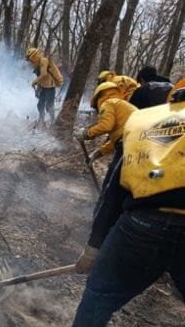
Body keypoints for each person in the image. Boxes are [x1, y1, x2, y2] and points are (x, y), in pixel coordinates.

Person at [72, 88, 185, 327]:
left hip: (143, 226)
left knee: (98, 296)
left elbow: (113, 192)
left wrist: (94, 247)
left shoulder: (149, 122)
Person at [74, 82, 137, 172]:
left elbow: (105, 126)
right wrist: (98, 153)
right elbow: (118, 138)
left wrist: (86, 133)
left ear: (98, 99)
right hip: (137, 141)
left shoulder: (107, 103)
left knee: (114, 175)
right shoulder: (119, 104)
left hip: (129, 142)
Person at [26, 48, 64, 125]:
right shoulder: (37, 65)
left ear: (34, 56)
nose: (30, 62)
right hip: (43, 87)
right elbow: (40, 78)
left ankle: (53, 122)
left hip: (50, 86)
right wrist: (37, 89)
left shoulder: (44, 60)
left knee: (49, 105)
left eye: (31, 60)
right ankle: (41, 119)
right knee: (40, 105)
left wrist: (34, 82)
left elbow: (44, 74)